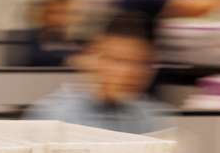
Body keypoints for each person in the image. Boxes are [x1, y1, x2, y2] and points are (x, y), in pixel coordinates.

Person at [25, 13, 172, 134]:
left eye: (141, 63)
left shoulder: (151, 118)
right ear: (93, 59)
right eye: (118, 60)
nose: (130, 72)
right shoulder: (55, 117)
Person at [14, 0, 83, 67]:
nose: (57, 19)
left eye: (65, 13)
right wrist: (70, 60)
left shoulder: (78, 41)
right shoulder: (26, 38)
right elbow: (30, 57)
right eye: (52, 12)